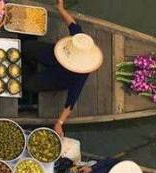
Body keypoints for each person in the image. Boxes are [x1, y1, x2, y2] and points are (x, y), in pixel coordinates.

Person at [22, 0, 103, 137]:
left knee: (29, 84)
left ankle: (28, 71)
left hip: (59, 77)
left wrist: (59, 123)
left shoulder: (81, 74)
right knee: (27, 47)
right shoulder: (78, 41)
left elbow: (71, 101)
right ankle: (29, 62)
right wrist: (60, 8)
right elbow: (72, 24)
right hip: (54, 55)